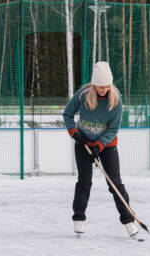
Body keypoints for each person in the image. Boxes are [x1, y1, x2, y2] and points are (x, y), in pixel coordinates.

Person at [62, 61, 139, 239]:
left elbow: (113, 129)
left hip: (107, 145)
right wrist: (74, 133)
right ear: (94, 85)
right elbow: (67, 114)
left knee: (115, 183)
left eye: (106, 86)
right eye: (100, 86)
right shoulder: (82, 95)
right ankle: (79, 218)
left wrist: (100, 144)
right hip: (83, 143)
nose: (104, 90)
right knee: (84, 182)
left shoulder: (116, 100)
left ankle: (128, 221)